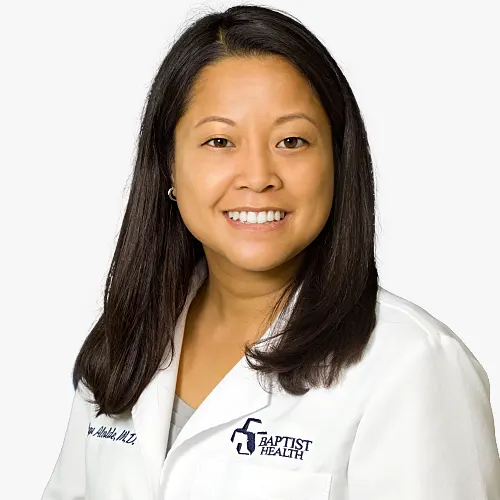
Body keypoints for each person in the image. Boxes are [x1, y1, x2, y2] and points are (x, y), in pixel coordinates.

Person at [41, 4, 500, 500]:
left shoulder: (414, 366)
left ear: (338, 161)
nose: (258, 177)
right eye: (220, 140)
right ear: (169, 165)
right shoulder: (126, 341)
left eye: (292, 140)